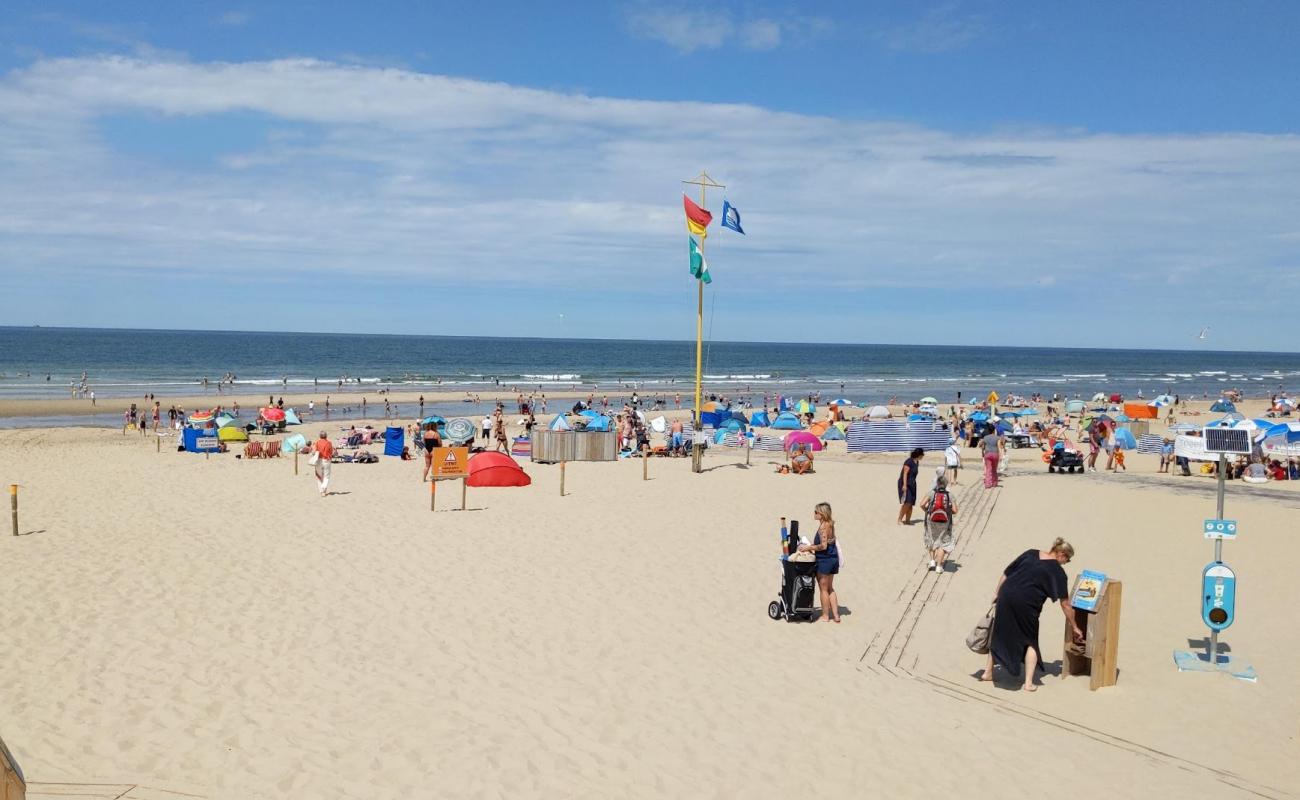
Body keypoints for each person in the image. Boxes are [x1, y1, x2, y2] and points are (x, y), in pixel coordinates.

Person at [981, 538, 1083, 691]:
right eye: (1067, 559)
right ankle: (1028, 683)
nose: (1065, 563)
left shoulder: (1031, 553)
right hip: (1027, 605)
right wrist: (1075, 626)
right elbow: (1065, 604)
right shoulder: (1058, 572)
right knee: (1030, 640)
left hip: (1006, 595)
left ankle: (987, 673)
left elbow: (1007, 573)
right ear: (1061, 554)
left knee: (999, 634)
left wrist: (997, 593)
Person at [796, 502, 840, 623]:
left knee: (824, 589)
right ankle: (836, 615)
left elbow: (823, 546)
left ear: (822, 514)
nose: (814, 514)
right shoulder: (830, 524)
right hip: (833, 558)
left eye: (816, 512)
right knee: (830, 588)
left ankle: (825, 616)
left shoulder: (823, 528)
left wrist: (808, 548)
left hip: (825, 560)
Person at [920, 475, 957, 573]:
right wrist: (949, 513)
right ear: (946, 484)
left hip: (931, 520)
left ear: (937, 484)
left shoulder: (931, 493)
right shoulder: (950, 495)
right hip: (945, 522)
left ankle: (932, 561)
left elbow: (921, 504)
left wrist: (928, 511)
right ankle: (939, 566)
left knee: (931, 539)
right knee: (943, 543)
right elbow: (955, 510)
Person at [897, 448, 923, 524]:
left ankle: (908, 520)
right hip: (905, 483)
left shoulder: (917, 462)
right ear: (919, 455)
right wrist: (904, 485)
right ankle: (899, 519)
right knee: (907, 502)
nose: (922, 457)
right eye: (922, 455)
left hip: (912, 484)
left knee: (911, 503)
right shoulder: (909, 462)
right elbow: (905, 474)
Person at [312, 431, 335, 497]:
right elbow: (331, 452)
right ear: (326, 436)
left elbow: (314, 452)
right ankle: (323, 490)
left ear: (320, 436)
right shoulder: (329, 443)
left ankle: (321, 491)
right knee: (326, 476)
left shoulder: (317, 442)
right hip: (326, 460)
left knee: (319, 476)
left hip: (319, 460)